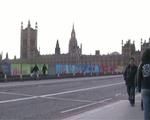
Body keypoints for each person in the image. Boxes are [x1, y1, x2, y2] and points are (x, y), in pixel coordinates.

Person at [137, 48, 150, 120]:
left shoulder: (142, 64)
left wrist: (139, 88)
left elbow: (139, 77)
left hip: (145, 88)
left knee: (146, 110)